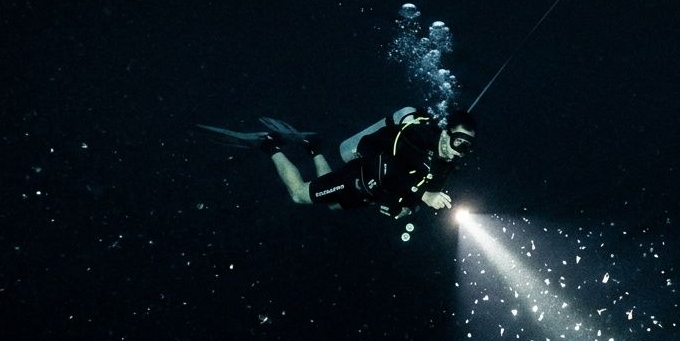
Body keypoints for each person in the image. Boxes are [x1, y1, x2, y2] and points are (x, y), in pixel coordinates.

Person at [200, 106, 476, 217]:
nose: (459, 151)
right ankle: (270, 145)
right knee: (299, 195)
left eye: (467, 148)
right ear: (445, 131)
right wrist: (421, 194)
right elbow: (372, 153)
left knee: (332, 205)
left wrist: (406, 208)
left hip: (370, 193)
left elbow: (420, 192)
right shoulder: (414, 136)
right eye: (458, 142)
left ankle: (313, 147)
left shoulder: (446, 163)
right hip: (360, 178)